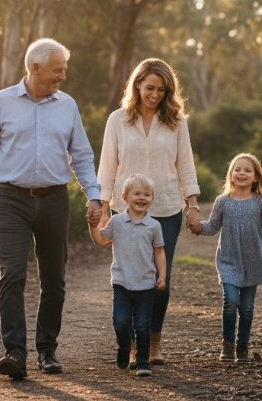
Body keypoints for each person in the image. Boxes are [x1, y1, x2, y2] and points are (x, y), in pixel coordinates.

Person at [0, 38, 104, 379]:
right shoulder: (1, 103)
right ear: (35, 68)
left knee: (54, 279)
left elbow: (83, 156)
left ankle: (47, 349)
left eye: (64, 69)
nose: (63, 76)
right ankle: (15, 352)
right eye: (58, 70)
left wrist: (94, 196)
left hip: (55, 201)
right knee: (11, 275)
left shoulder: (67, 106)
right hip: (11, 200)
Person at [92, 58, 200, 365]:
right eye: (149, 87)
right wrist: (101, 205)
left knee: (159, 277)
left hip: (165, 209)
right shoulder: (117, 120)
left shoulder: (177, 122)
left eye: (161, 89)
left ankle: (152, 341)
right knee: (130, 275)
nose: (154, 94)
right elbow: (107, 166)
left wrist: (192, 206)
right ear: (137, 85)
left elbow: (186, 165)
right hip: (125, 212)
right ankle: (130, 338)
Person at [189, 153, 262, 364]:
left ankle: (242, 346)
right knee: (231, 301)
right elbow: (212, 226)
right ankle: (228, 344)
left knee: (247, 308)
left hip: (252, 262)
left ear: (256, 177)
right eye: (237, 169)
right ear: (231, 175)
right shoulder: (222, 202)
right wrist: (198, 228)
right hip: (228, 261)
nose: (242, 173)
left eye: (247, 170)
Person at [88, 174, 167, 377]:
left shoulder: (154, 226)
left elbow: (159, 252)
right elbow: (100, 240)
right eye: (137, 193)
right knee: (121, 322)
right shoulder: (116, 222)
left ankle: (143, 362)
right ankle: (124, 347)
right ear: (125, 198)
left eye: (147, 194)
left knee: (142, 325)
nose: (142, 198)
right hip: (122, 283)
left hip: (146, 284)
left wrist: (162, 276)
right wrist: (92, 225)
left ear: (152, 199)